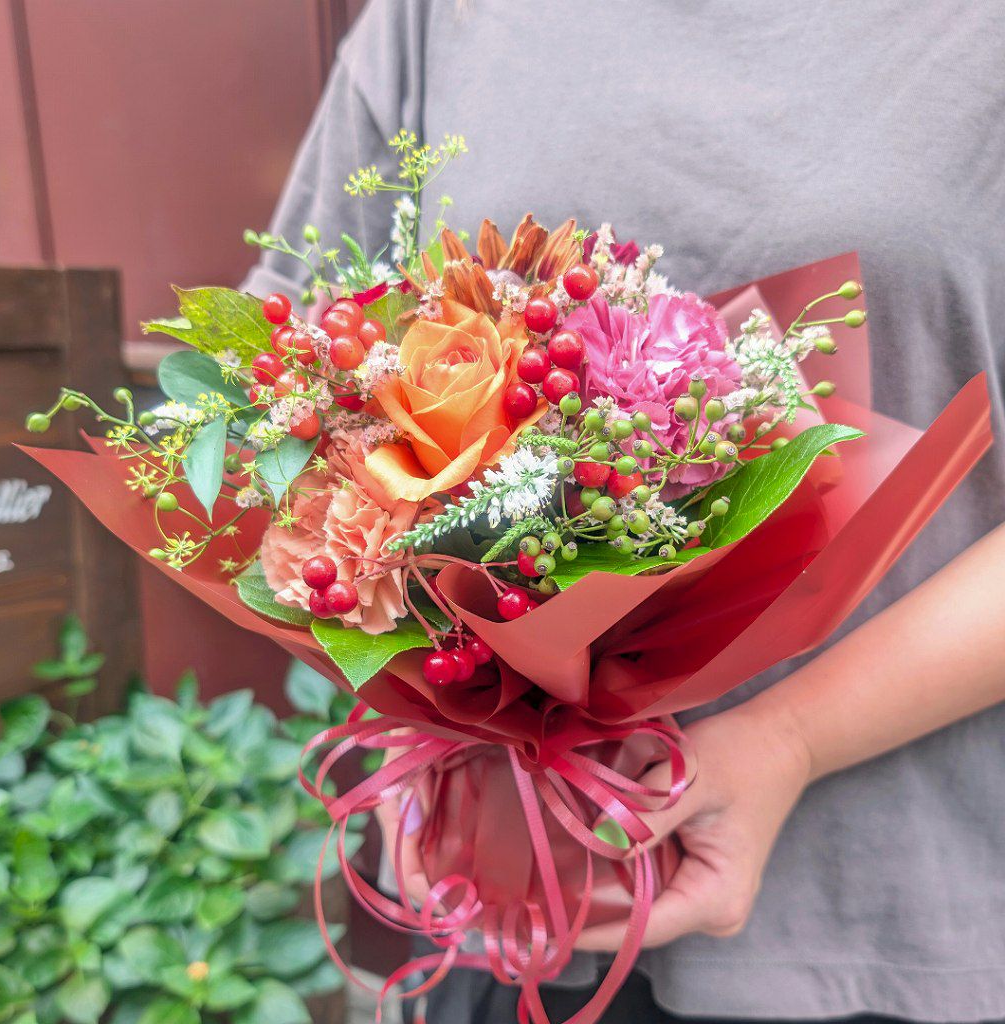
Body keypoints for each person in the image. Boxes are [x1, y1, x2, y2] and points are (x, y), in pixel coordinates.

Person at [243, 2, 1005, 1020]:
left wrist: (790, 740)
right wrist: (421, 705)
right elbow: (298, 388)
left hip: (891, 923)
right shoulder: (443, 19)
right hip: (514, 914)